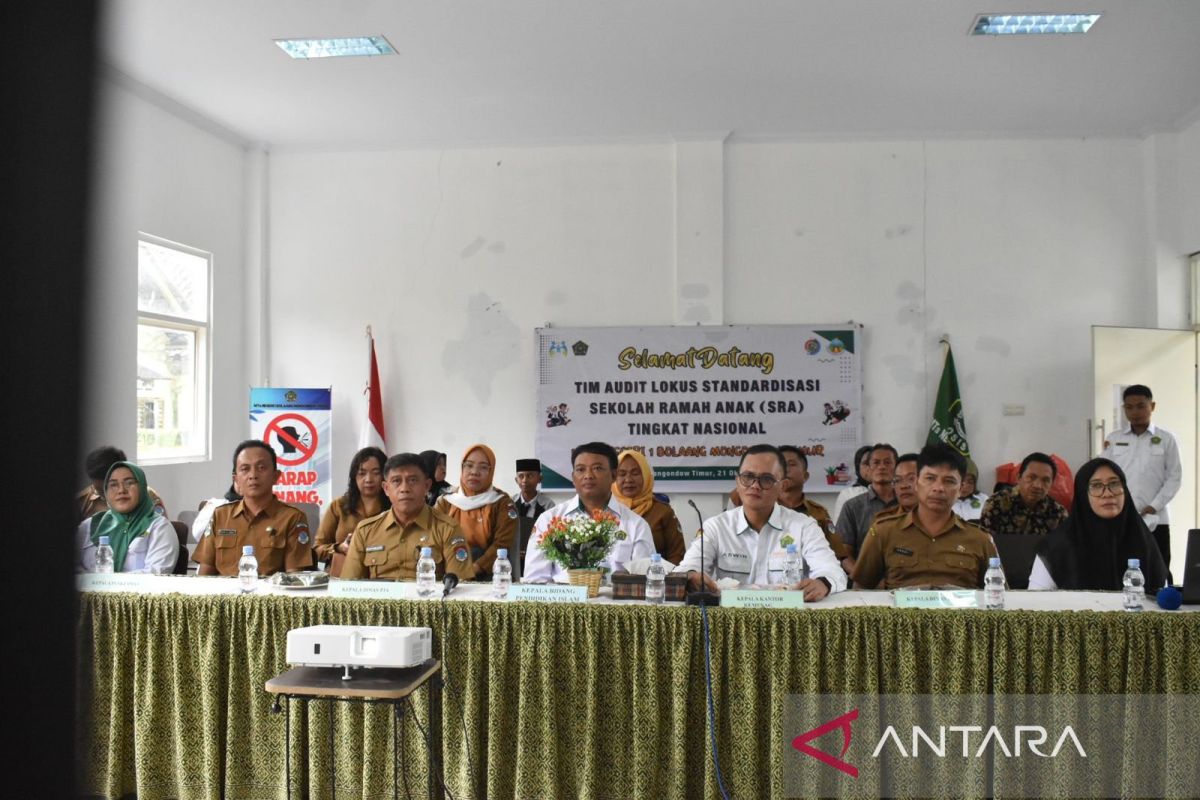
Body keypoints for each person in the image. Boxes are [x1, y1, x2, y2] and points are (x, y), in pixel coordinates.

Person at [674, 444, 845, 601]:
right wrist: (690, 576)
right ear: (737, 481)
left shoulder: (803, 526)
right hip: (729, 623)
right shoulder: (716, 527)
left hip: (788, 622)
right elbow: (686, 568)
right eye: (748, 477)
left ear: (782, 486)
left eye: (766, 479)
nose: (755, 485)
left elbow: (832, 572)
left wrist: (823, 583)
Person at [851, 444, 998, 590]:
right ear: (916, 484)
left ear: (960, 489)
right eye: (930, 478)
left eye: (949, 481)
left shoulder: (980, 540)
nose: (938, 488)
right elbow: (860, 589)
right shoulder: (884, 532)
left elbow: (998, 594)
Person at [522, 442, 655, 583]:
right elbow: (534, 582)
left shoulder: (636, 525)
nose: (588, 476)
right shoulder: (549, 520)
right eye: (580, 469)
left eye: (597, 468)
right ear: (573, 477)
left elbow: (643, 583)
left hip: (614, 604)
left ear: (614, 475)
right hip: (563, 603)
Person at [1029, 458, 1168, 592]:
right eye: (1096, 486)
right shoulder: (1056, 548)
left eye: (1114, 484)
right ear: (1083, 494)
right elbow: (1035, 608)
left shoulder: (1143, 540)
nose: (1107, 493)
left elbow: (1161, 597)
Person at [341, 452, 476, 581]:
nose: (404, 488)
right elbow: (348, 587)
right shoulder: (366, 531)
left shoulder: (448, 529)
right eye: (396, 481)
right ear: (386, 488)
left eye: (412, 480)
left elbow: (460, 589)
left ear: (427, 486)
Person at [192, 440, 312, 576]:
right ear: (236, 480)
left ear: (276, 476)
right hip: (224, 595)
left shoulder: (292, 518)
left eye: (261, 468)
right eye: (245, 469)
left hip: (271, 596)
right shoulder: (220, 515)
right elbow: (205, 573)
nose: (253, 475)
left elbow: (294, 578)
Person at [1101, 385, 1182, 578]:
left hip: (1156, 518)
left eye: (1140, 406)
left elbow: (1174, 477)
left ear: (1152, 406)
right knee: (1121, 571)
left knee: (1159, 570)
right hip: (1121, 517)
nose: (1135, 412)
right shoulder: (1114, 439)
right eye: (1129, 407)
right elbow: (1104, 475)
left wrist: (1154, 506)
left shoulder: (1166, 439)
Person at [77, 461, 179, 573]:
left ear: (142, 488)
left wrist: (106, 583)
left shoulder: (159, 528)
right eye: (113, 485)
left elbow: (156, 575)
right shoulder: (89, 526)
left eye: (129, 483)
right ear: (106, 492)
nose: (121, 490)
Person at [437, 444, 517, 577]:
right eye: (469, 465)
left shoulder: (502, 503)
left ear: (491, 471)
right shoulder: (445, 501)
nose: (474, 471)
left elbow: (502, 544)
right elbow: (434, 540)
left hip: (488, 574)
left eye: (483, 467)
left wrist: (475, 568)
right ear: (462, 468)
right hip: (448, 570)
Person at [314, 446, 390, 576]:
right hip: (343, 576)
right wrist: (339, 548)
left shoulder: (394, 507)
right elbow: (317, 549)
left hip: (382, 576)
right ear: (354, 477)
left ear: (385, 476)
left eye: (376, 473)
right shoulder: (338, 506)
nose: (368, 479)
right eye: (362, 473)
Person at [612, 450, 686, 564]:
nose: (628, 480)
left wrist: (664, 578)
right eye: (621, 474)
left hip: (655, 578)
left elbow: (677, 555)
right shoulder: (606, 510)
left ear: (646, 475)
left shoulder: (663, 511)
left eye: (635, 473)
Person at [978, 452, 1067, 536]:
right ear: (1018, 478)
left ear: (1051, 484)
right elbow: (983, 546)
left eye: (1045, 480)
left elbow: (1062, 549)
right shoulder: (996, 504)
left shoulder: (1058, 513)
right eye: (1031, 477)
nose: (1038, 486)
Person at [835, 443, 899, 559]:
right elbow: (843, 554)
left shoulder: (907, 503)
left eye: (887, 462)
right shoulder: (852, 506)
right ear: (868, 468)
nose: (881, 467)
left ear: (896, 468)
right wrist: (859, 575)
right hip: (862, 574)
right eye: (876, 462)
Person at [78, 445, 167, 522]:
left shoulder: (148, 498)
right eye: (101, 492)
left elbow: (160, 530)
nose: (108, 497)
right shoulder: (83, 502)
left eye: (113, 486)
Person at [830, 445, 874, 526]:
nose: (871, 467)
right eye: (866, 463)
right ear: (858, 467)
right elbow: (839, 530)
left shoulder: (890, 493)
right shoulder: (847, 494)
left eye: (875, 462)